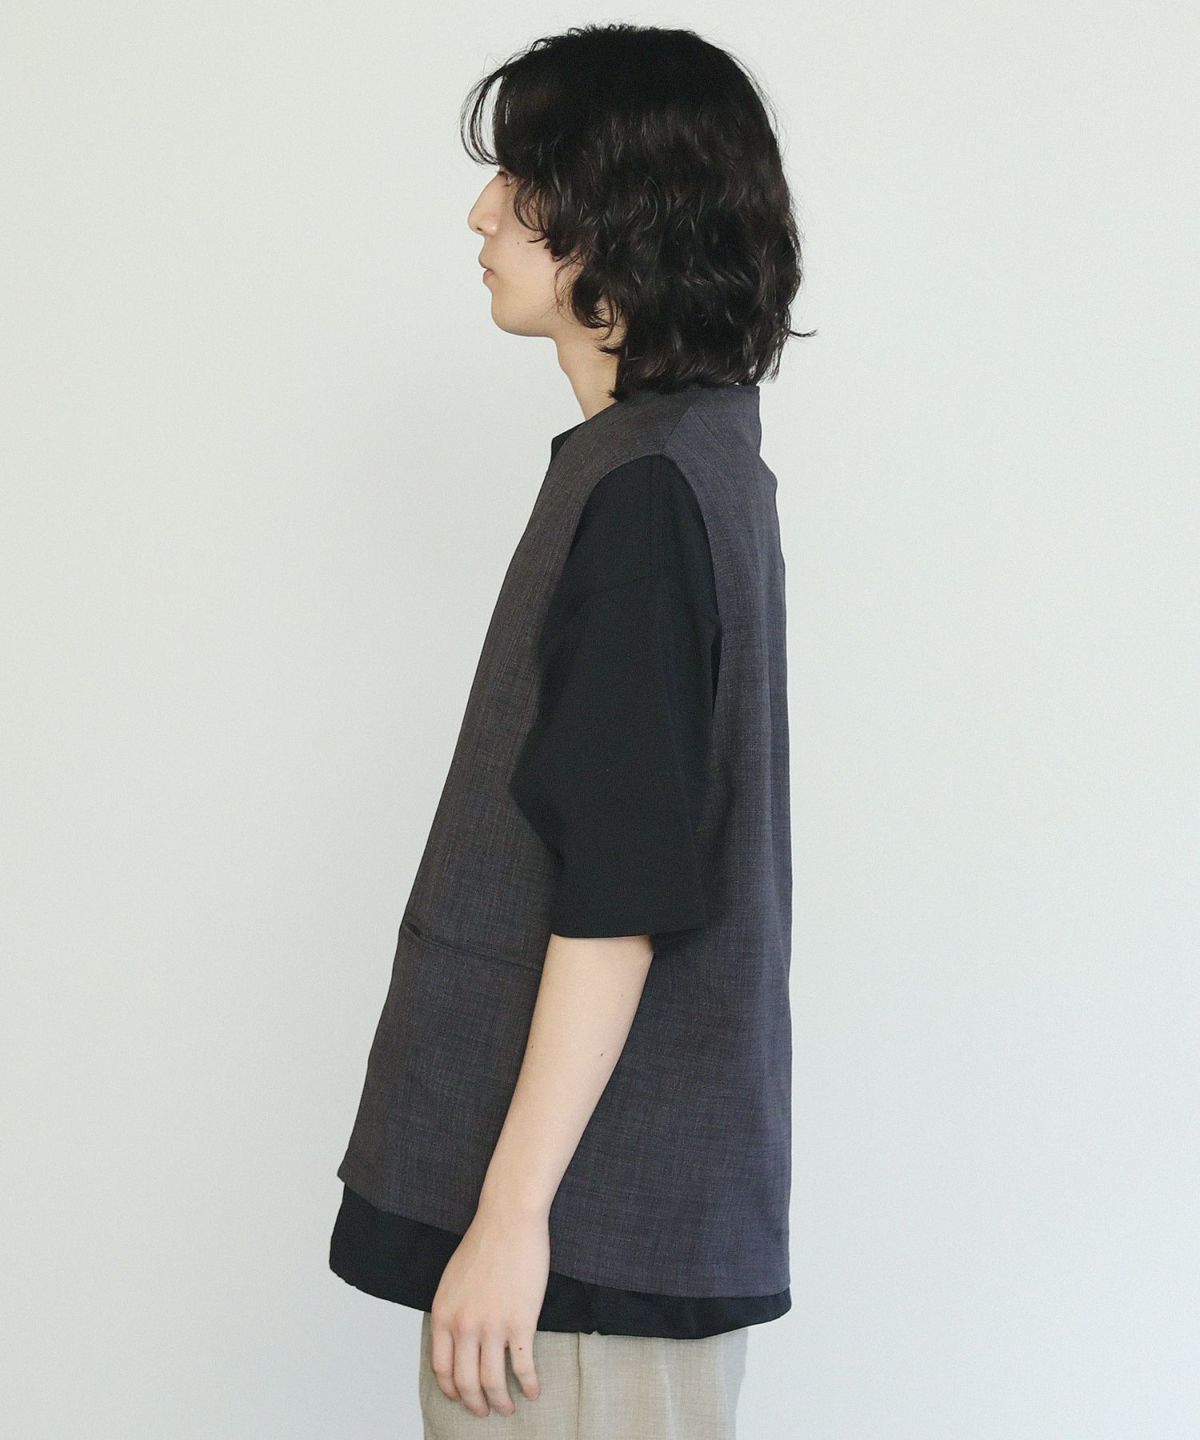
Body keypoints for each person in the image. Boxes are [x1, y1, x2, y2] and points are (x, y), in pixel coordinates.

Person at [330, 22, 812, 1437]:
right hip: (591, 1245)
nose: (484, 213)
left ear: (625, 215)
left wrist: (511, 1216)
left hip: (580, 1263)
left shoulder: (649, 491)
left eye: (525, 180)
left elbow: (621, 897)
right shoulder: (675, 459)